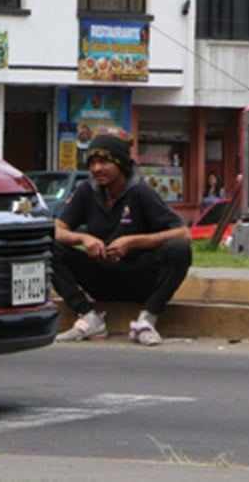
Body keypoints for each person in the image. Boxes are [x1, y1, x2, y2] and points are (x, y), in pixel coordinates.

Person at [52, 133, 193, 346]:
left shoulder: (140, 192)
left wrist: (132, 242)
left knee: (179, 250)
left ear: (120, 164)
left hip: (138, 278)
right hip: (101, 276)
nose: (97, 168)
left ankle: (146, 320)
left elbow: (183, 233)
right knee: (48, 246)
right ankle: (88, 317)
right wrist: (83, 238)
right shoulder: (86, 191)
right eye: (92, 163)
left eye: (104, 161)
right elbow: (56, 229)